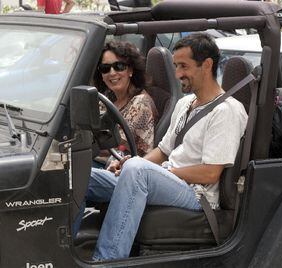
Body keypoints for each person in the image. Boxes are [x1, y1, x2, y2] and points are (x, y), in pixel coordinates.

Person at [78, 33, 247, 261]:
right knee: (80, 176)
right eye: (176, 66)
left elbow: (210, 173)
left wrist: (159, 171)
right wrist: (128, 164)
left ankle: (106, 260)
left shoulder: (226, 111)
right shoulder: (185, 103)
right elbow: (164, 150)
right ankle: (61, 251)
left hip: (196, 194)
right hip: (167, 180)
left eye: (184, 66)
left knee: (138, 171)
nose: (177, 74)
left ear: (206, 65)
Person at [93, 40, 158, 158]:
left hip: (127, 169)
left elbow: (114, 144)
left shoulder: (141, 102)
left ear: (131, 71)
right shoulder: (106, 98)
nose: (112, 73)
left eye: (119, 66)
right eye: (105, 68)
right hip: (104, 162)